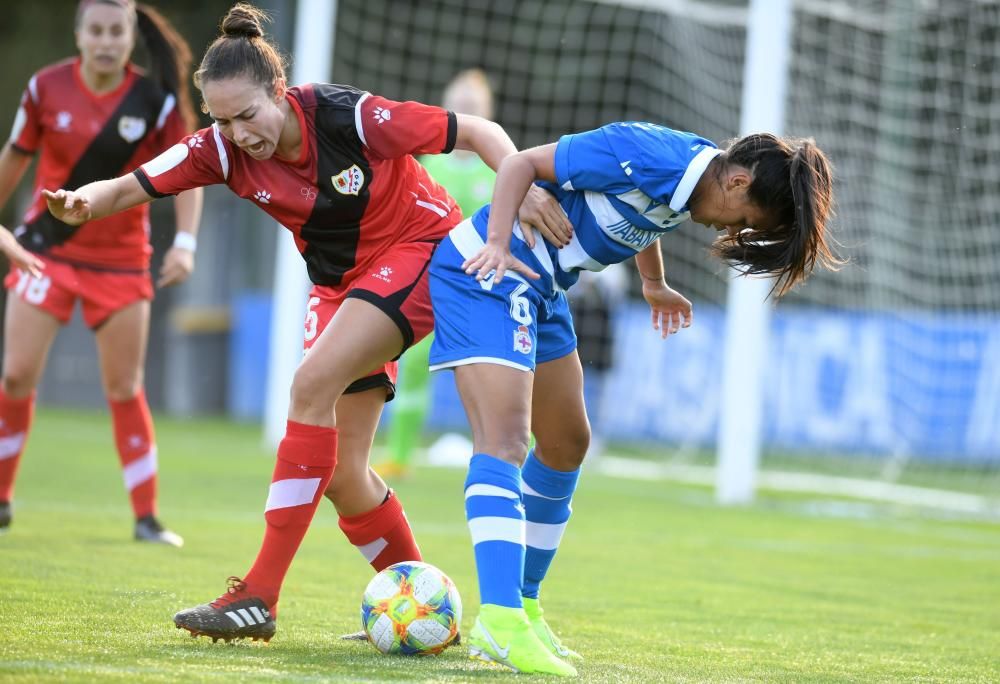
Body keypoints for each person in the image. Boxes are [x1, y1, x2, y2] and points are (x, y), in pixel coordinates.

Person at [43, 2, 567, 644]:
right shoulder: (221, 150)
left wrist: (523, 190)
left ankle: (258, 595)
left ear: (280, 93)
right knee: (344, 476)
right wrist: (80, 202)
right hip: (341, 287)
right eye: (222, 120)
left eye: (248, 115)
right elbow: (131, 185)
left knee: (308, 385)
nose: (237, 133)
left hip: (423, 252)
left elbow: (480, 132)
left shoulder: (350, 117)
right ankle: (428, 612)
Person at [428, 122, 840, 675]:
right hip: (488, 270)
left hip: (543, 288)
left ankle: (523, 606)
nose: (729, 229)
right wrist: (499, 241)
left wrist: (652, 282)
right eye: (742, 220)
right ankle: (499, 620)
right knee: (504, 442)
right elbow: (518, 164)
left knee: (568, 443)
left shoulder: (690, 180)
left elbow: (650, 216)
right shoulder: (642, 149)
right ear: (738, 182)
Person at [0, 0, 203, 545]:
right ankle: (0, 499)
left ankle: (146, 518)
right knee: (16, 374)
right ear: (79, 34)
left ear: (131, 36)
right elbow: (15, 156)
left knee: (123, 386)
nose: (107, 40)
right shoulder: (46, 88)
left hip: (120, 263)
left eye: (117, 30)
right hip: (47, 252)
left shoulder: (155, 102)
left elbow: (188, 170)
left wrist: (184, 243)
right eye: (97, 30)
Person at [378, 68, 498, 478]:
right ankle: (399, 454)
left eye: (474, 107)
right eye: (460, 106)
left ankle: (516, 457)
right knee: (410, 369)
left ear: (487, 114)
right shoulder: (425, 165)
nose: (466, 112)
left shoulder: (498, 171)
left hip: (482, 289)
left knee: (497, 374)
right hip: (428, 288)